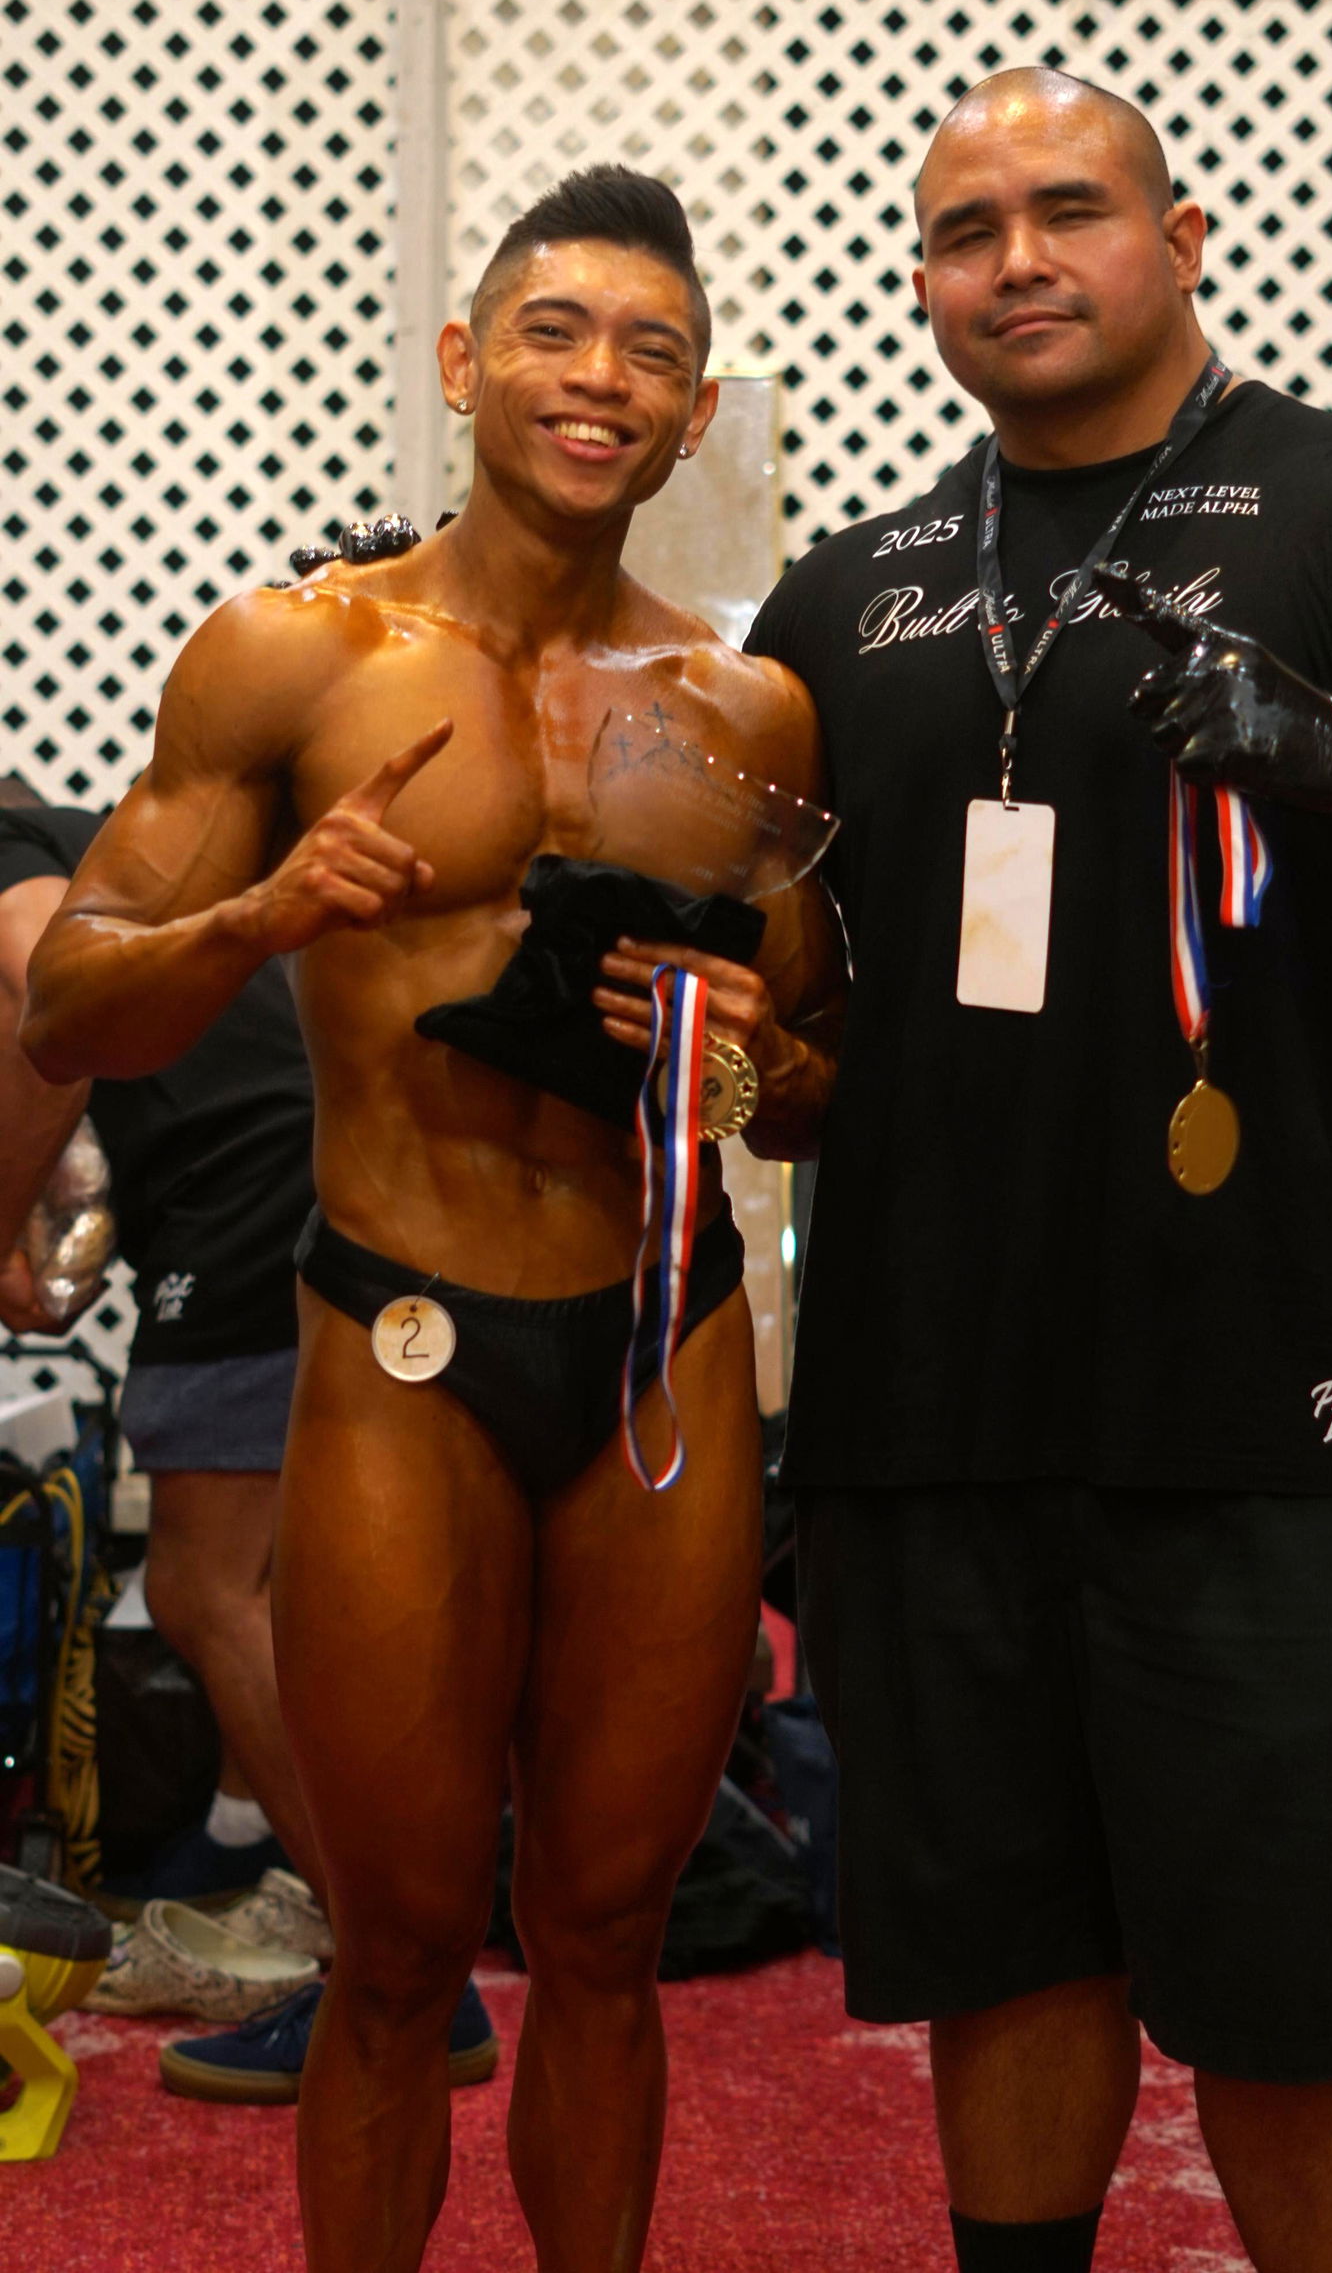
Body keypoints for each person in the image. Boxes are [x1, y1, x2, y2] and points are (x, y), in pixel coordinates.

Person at [645, 67, 1332, 2273]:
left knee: (1286, 1998)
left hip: (1243, 1416)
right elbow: (813, 1042)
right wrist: (704, 1030)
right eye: (964, 231)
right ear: (920, 288)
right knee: (1001, 1959)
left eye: (1066, 210)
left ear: (1178, 240)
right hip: (922, 1417)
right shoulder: (851, 594)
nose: (1016, 261)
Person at [22, 165, 843, 2273]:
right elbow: (69, 986)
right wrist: (260, 911)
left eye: (649, 352)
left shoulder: (739, 710)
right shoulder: (302, 649)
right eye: (557, 333)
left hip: (662, 1332)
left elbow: (822, 1080)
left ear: (693, 412)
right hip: (395, 1334)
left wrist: (745, 1041)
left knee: (606, 1931)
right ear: (468, 358)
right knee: (394, 1945)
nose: (600, 381)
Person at [0, 781, 320, 1905]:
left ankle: (393, 1962)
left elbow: (62, 1021)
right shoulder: (96, 840)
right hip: (315, 1166)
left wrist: (4, 1235)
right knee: (272, 1576)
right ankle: (244, 1845)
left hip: (242, 1185)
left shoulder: (11, 856)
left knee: (198, 1582)